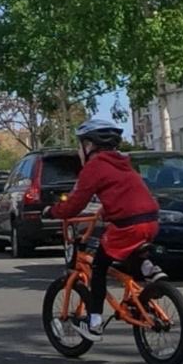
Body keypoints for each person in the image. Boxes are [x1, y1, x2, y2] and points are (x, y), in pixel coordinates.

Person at [45, 118, 163, 342]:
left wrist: (53, 212)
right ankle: (148, 267)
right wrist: (104, 210)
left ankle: (95, 323)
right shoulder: (124, 162)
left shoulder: (94, 167)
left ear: (88, 146)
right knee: (128, 253)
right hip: (151, 220)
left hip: (127, 225)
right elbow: (124, 192)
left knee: (99, 267)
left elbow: (75, 203)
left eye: (80, 146)